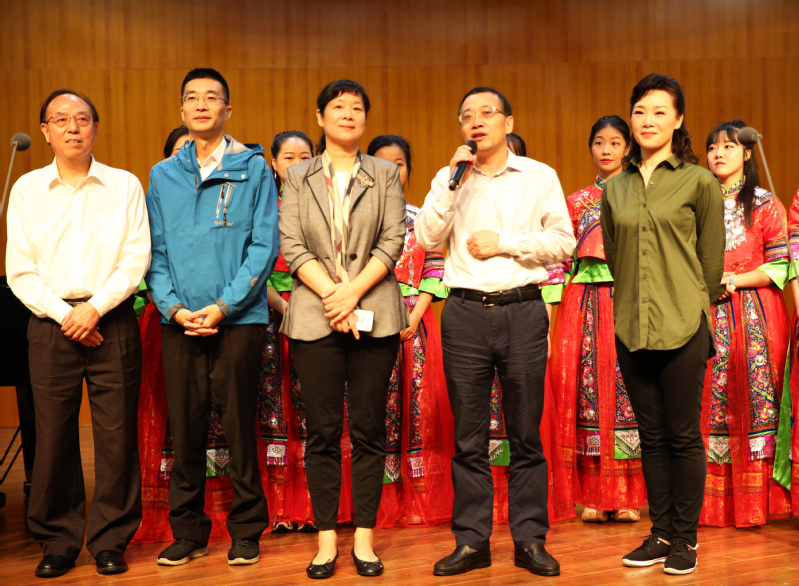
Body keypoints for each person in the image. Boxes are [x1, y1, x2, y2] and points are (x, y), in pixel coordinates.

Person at [415, 86, 575, 578]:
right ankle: (471, 542)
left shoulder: (539, 175)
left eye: (487, 113)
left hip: (522, 310)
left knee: (526, 434)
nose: (476, 121)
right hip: (464, 313)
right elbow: (426, 237)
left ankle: (530, 540)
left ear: (508, 122)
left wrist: (504, 243)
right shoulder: (449, 177)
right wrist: (450, 185)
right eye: (467, 116)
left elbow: (563, 242)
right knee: (468, 438)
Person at [6, 89, 151, 577]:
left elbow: (136, 257)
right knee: (52, 437)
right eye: (61, 119)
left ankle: (111, 540)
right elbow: (20, 269)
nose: (73, 127)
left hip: (112, 320)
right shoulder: (26, 189)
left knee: (116, 436)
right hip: (50, 325)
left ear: (95, 128)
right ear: (45, 131)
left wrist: (94, 309)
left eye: (82, 119)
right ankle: (58, 541)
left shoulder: (124, 184)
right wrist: (65, 315)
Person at [145, 68, 279, 567]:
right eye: (192, 97)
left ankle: (246, 529)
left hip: (238, 320)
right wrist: (175, 308)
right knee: (186, 427)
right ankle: (188, 531)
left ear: (227, 110)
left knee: (240, 426)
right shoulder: (163, 174)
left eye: (212, 97)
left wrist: (223, 306)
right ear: (181, 110)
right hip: (179, 321)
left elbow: (263, 246)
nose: (201, 104)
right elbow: (155, 251)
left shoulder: (253, 168)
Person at [279, 80, 408, 579]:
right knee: (323, 431)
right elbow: (292, 244)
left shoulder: (384, 173)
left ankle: (366, 538)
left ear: (365, 119)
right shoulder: (298, 176)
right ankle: (327, 539)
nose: (348, 114)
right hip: (315, 315)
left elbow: (393, 239)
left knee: (370, 429)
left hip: (374, 310)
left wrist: (352, 292)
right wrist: (334, 295)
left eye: (357, 107)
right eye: (338, 106)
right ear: (320, 117)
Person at [600, 73, 725, 575]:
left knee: (683, 436)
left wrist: (689, 305)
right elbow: (615, 256)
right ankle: (660, 532)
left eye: (659, 112)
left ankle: (685, 541)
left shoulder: (699, 181)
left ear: (678, 120)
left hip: (683, 322)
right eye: (639, 112)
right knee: (650, 437)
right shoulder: (615, 187)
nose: (647, 121)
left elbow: (711, 263)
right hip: (632, 324)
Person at [550, 116, 646, 523]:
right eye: (599, 142)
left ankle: (628, 496)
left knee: (630, 388)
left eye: (615, 142)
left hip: (632, 298)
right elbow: (558, 262)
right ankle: (592, 495)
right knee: (587, 391)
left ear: (628, 148)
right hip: (584, 302)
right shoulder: (574, 202)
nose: (606, 150)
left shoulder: (644, 192)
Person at [699, 120, 791, 527]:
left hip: (756, 312)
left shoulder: (765, 203)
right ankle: (711, 506)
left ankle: (757, 503)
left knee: (757, 398)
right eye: (712, 147)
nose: (718, 153)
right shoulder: (697, 202)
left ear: (747, 153)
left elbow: (781, 264)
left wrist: (732, 281)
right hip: (705, 311)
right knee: (710, 400)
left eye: (728, 146)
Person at [367, 135, 454, 527]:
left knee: (419, 409)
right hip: (370, 322)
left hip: (415, 323)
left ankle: (418, 498)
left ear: (408, 170)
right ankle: (380, 500)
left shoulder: (423, 219)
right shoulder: (356, 218)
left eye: (398, 163)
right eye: (382, 162)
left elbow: (435, 270)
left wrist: (416, 315)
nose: (391, 170)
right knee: (376, 408)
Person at [261, 130, 315, 532]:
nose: (297, 164)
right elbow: (251, 263)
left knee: (314, 406)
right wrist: (282, 306)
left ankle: (313, 507)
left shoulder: (328, 205)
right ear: (274, 164)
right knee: (272, 408)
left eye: (305, 157)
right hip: (268, 312)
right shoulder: (261, 208)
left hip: (317, 310)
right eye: (289, 158)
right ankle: (277, 508)